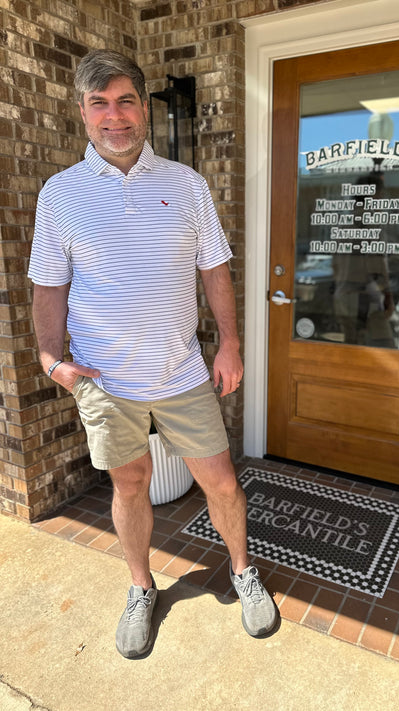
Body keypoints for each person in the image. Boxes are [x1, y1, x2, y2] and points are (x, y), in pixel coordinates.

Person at [28, 49, 278, 658]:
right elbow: (48, 286)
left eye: (125, 101)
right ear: (82, 113)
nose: (114, 117)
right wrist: (50, 359)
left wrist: (230, 343)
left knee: (219, 483)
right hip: (105, 379)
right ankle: (142, 588)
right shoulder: (60, 195)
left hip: (182, 370)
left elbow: (214, 269)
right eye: (99, 104)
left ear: (144, 107)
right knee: (130, 485)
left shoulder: (187, 186)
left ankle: (242, 572)